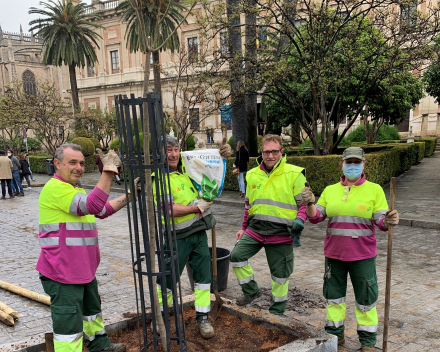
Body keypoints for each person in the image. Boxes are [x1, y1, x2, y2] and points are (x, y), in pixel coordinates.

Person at [301, 147, 400, 352]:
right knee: (334, 297)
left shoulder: (374, 190)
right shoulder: (330, 190)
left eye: (357, 162)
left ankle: (368, 342)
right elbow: (315, 217)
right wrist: (309, 203)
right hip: (334, 255)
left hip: (362, 256)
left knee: (366, 298)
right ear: (342, 164)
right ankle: (335, 336)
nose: (352, 166)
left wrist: (389, 219)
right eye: (349, 162)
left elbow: (381, 221)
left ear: (364, 164)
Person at [36, 143, 132, 352]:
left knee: (91, 312)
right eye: (72, 162)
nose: (79, 167)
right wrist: (108, 170)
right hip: (62, 272)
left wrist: (129, 195)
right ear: (57, 164)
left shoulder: (74, 190)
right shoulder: (55, 188)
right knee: (68, 327)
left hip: (84, 269)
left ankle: (99, 345)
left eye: (81, 163)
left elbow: (102, 210)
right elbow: (92, 205)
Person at [154, 135, 232, 339]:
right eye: (167, 150)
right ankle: (160, 317)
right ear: (159, 153)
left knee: (203, 278)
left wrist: (222, 159)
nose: (173, 154)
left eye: (175, 149)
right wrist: (196, 208)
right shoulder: (158, 179)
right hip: (176, 237)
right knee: (168, 280)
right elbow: (168, 209)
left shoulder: (186, 172)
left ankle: (203, 316)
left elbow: (209, 170)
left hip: (199, 233)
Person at [230, 134, 307, 315]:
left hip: (281, 233)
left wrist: (300, 220)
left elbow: (303, 205)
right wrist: (243, 228)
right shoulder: (252, 175)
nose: (270, 156)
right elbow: (248, 205)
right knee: (236, 256)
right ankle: (252, 292)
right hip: (255, 230)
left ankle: (276, 312)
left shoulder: (294, 174)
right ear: (261, 153)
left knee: (280, 277)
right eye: (266, 152)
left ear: (281, 151)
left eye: (274, 152)